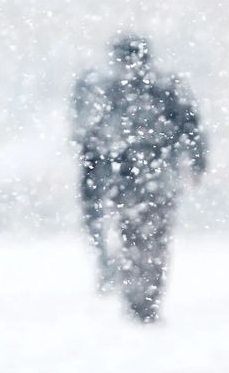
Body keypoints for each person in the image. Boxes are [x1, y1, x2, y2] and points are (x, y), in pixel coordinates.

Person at [79, 34, 207, 322]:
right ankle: (146, 296)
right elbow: (191, 127)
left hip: (129, 180)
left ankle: (139, 296)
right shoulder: (166, 87)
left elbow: (95, 139)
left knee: (133, 238)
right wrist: (196, 162)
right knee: (153, 240)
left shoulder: (113, 91)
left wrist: (96, 177)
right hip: (157, 178)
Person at [71, 68, 116, 292]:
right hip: (106, 165)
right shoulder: (104, 87)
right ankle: (112, 263)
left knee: (96, 219)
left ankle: (109, 263)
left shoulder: (95, 86)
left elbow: (79, 130)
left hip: (97, 164)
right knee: (102, 219)